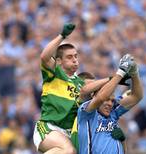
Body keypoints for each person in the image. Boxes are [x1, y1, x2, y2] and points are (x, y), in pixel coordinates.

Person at [33, 23, 84, 154]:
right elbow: (44, 57)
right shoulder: (55, 72)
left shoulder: (81, 83)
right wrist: (62, 36)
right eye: (69, 57)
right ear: (59, 61)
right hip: (48, 127)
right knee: (69, 151)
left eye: (76, 56)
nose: (74, 60)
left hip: (67, 134)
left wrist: (116, 78)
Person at [77, 54, 143, 154]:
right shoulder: (86, 112)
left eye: (112, 100)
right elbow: (101, 97)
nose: (110, 104)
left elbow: (137, 96)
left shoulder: (113, 112)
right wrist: (120, 72)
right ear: (93, 96)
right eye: (107, 100)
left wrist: (134, 73)